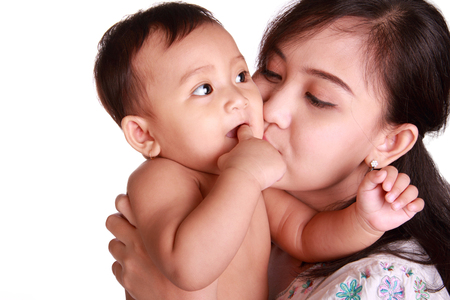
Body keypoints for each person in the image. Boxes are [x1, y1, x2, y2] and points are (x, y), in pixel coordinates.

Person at [100, 0, 446, 299]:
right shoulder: (168, 178)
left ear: (390, 142)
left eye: (318, 99)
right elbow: (189, 266)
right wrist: (243, 176)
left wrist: (364, 222)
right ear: (143, 134)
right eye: (271, 73)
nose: (264, 108)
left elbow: (305, 233)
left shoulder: (383, 282)